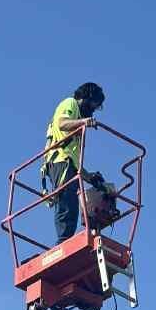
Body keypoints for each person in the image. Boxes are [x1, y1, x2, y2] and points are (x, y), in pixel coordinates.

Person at [42, 83, 105, 242]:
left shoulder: (78, 120)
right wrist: (84, 122)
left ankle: (64, 240)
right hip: (59, 161)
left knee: (71, 204)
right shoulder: (70, 103)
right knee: (67, 202)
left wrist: (89, 177)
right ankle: (63, 243)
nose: (92, 110)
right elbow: (62, 123)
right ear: (85, 98)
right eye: (92, 105)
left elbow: (75, 162)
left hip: (66, 163)